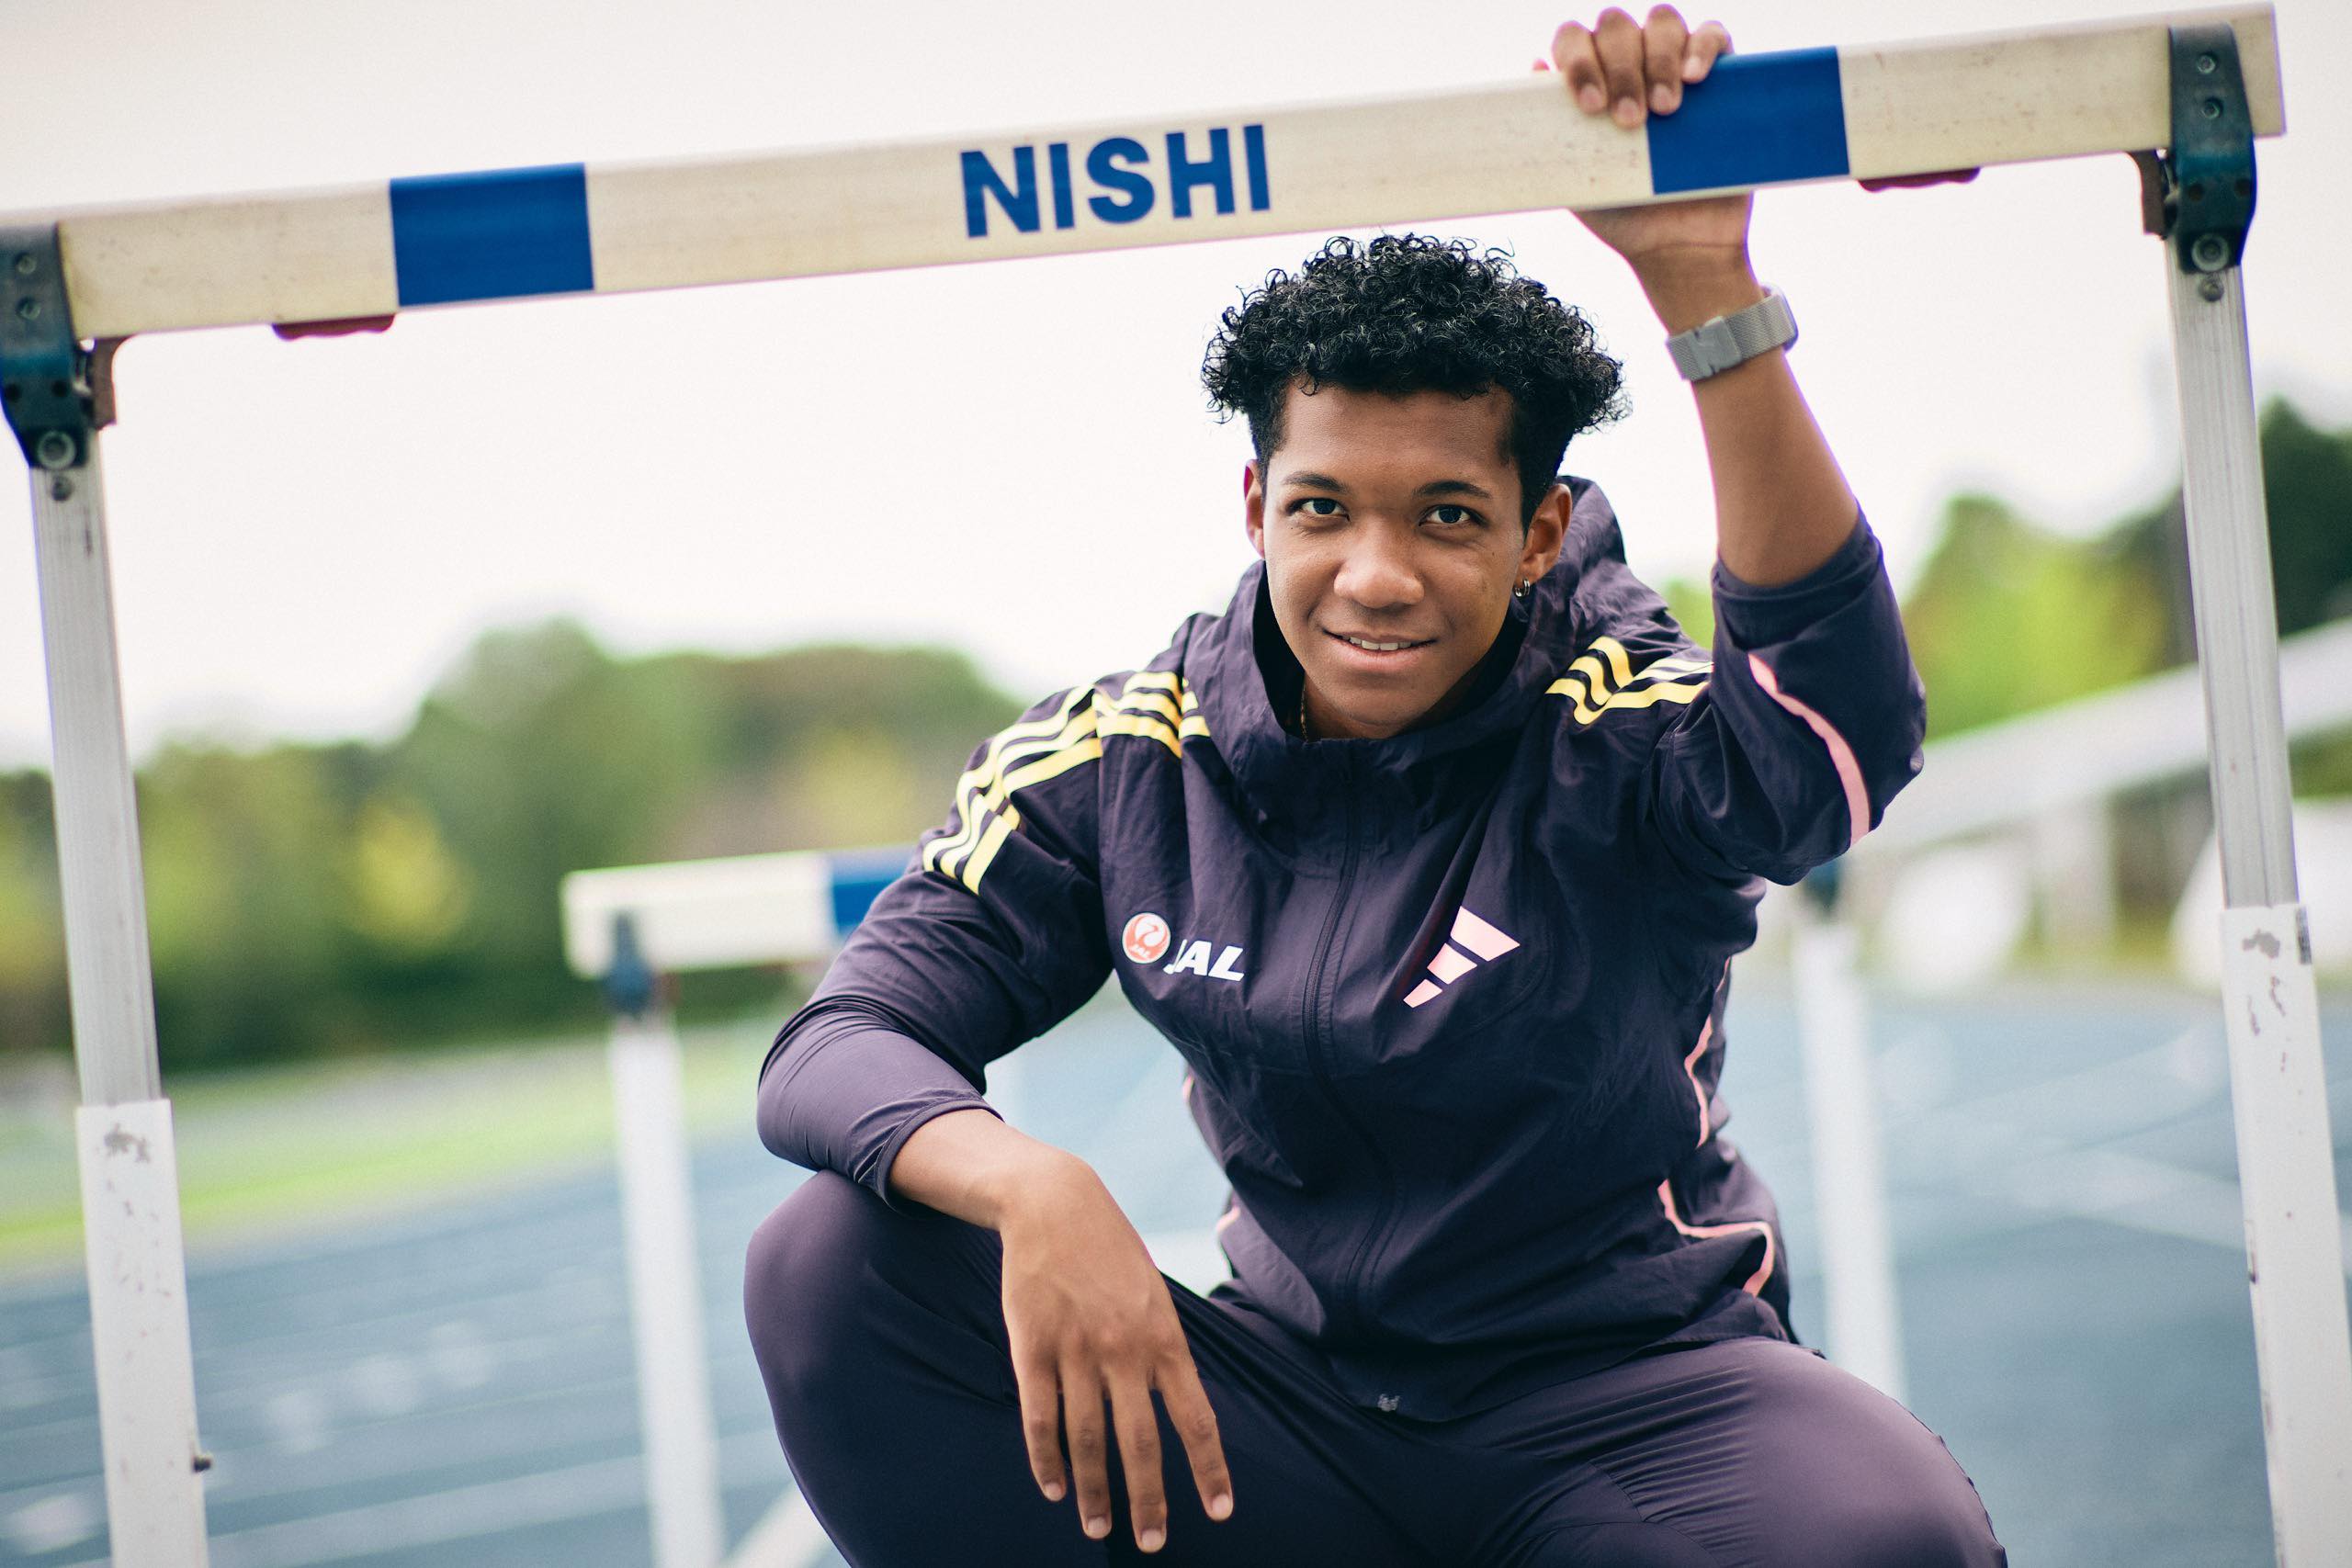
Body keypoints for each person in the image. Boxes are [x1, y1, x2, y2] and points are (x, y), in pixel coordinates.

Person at [745, 10, 2005, 1564]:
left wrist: (1702, 284)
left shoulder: (1609, 718)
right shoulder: (1129, 759)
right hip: (1291, 1415)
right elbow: (836, 1044)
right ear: (1258, 501)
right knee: (832, 1262)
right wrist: (1028, 1185)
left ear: (1537, 534)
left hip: (1632, 1400)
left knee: (1883, 1542)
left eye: (1449, 517)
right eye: (1326, 508)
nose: (1377, 576)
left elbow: (1831, 747)